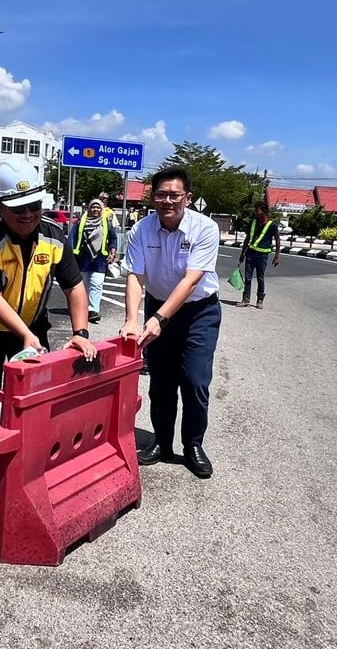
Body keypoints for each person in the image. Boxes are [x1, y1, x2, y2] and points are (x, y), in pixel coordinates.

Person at [0, 158, 97, 502]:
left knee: (37, 400)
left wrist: (80, 333)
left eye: (34, 206)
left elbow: (74, 286)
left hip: (33, 326)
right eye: (19, 209)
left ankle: (32, 464)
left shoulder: (54, 236)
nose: (28, 215)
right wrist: (25, 336)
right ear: (0, 205)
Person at [119, 167, 221, 479]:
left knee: (194, 381)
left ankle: (193, 444)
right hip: (157, 305)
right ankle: (161, 442)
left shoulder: (205, 228)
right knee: (161, 382)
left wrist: (160, 318)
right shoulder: (141, 230)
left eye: (174, 195)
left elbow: (192, 280)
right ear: (152, 197)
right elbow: (135, 275)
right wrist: (131, 320)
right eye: (161, 194)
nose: (167, 201)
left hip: (198, 312)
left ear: (187, 198)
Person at [68, 198, 117, 324]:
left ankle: (93, 310)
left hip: (100, 259)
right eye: (93, 207)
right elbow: (72, 238)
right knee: (83, 285)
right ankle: (82, 308)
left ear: (102, 209)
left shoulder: (106, 221)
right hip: (83, 258)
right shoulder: (80, 222)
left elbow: (113, 237)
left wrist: (113, 250)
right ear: (89, 209)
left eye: (98, 207)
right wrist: (69, 256)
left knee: (96, 283)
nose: (95, 210)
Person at [236, 202, 280, 309]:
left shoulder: (272, 225)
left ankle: (260, 300)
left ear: (264, 211)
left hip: (262, 255)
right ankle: (245, 299)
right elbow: (247, 239)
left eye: (258, 211)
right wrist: (242, 253)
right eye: (255, 211)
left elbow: (277, 239)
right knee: (248, 278)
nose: (256, 213)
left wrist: (277, 256)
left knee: (260, 278)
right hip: (250, 254)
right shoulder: (253, 222)